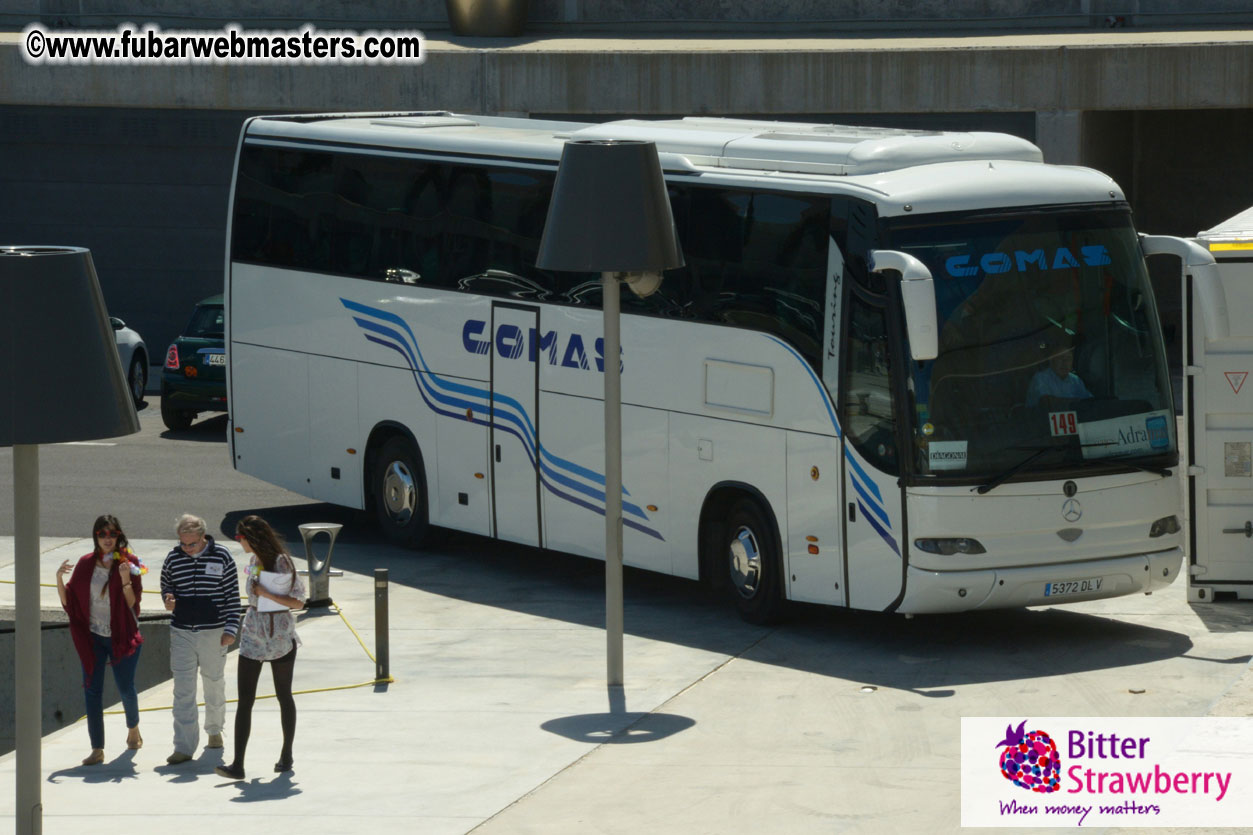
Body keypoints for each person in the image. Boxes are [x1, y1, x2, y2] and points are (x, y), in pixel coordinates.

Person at [216, 515, 305, 780]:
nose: (238, 541)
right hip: (254, 633)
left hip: (278, 633)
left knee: (283, 695)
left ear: (251, 537)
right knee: (245, 700)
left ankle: (287, 754)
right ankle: (238, 764)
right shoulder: (253, 562)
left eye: (239, 537)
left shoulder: (281, 562)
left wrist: (267, 595)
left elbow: (299, 601)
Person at [55, 515, 146, 765]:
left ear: (119, 536)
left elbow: (133, 605)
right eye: (102, 534)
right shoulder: (86, 564)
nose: (107, 539)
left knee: (125, 688)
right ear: (95, 536)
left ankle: (133, 729)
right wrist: (59, 579)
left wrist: (126, 580)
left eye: (112, 534)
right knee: (92, 691)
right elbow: (70, 602)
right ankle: (97, 748)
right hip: (93, 637)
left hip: (122, 635)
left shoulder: (130, 562)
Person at [160, 513, 240, 765]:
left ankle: (214, 731)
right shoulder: (173, 558)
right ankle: (183, 746)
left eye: (191, 544)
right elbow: (166, 585)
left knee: (213, 682)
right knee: (183, 690)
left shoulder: (223, 556)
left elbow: (233, 598)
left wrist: (231, 630)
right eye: (183, 543)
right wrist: (168, 599)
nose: (186, 548)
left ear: (203, 537)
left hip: (213, 632)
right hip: (182, 630)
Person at [1026, 339, 1093, 407]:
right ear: (1051, 361)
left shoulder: (1075, 380)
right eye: (1060, 358)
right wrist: (1078, 401)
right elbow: (1048, 403)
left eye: (1068, 358)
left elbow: (1090, 401)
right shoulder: (1040, 378)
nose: (1065, 362)